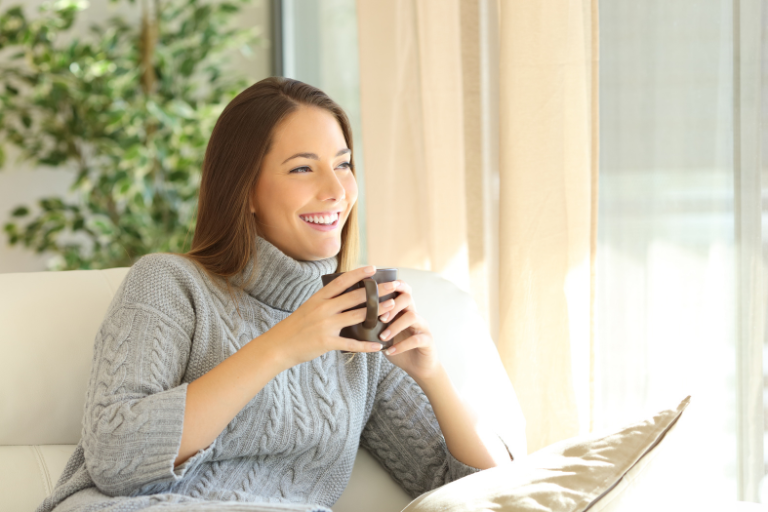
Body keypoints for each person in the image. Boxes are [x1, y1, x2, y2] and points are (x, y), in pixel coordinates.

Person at [36, 77, 512, 512]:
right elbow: (116, 458)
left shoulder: (358, 332)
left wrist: (433, 377)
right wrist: (283, 345)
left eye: (343, 164)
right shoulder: (169, 284)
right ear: (245, 190)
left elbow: (491, 494)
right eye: (303, 169)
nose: (336, 191)